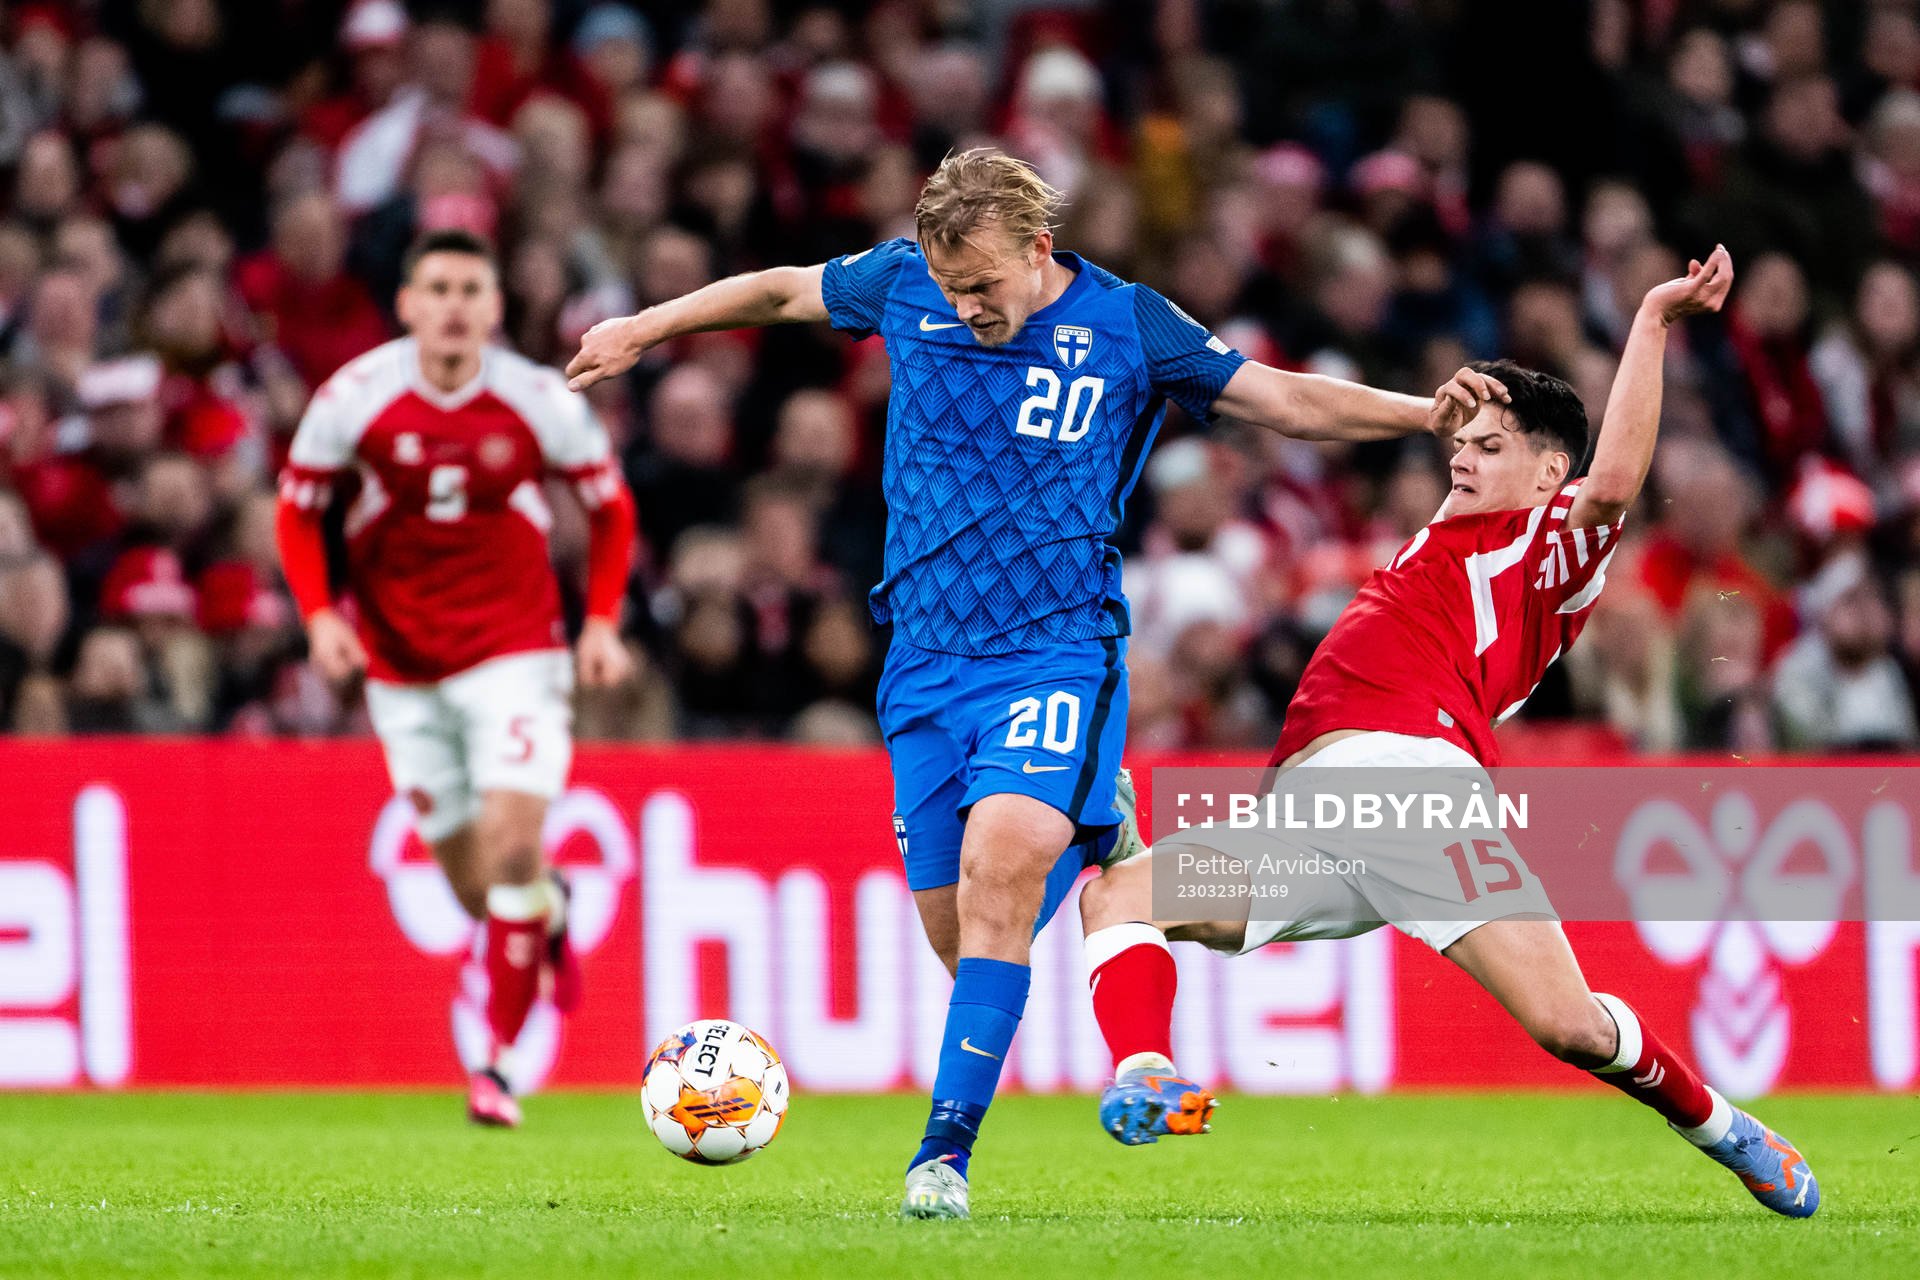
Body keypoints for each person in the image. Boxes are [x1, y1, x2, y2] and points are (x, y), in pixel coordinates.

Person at [569, 148, 1501, 1219]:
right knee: (964, 931)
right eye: (951, 286)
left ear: (1038, 250)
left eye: (985, 286)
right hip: (921, 667)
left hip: (1056, 652)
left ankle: (942, 1161)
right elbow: (779, 288)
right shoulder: (900, 280)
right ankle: (1105, 832)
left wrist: (1419, 412)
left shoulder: (1129, 323)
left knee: (1005, 862)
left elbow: (1280, 398)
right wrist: (645, 326)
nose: (966, 307)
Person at [1078, 247, 1821, 1219]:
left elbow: (1617, 480)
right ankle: (1146, 1070)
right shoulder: (1448, 528)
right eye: (1463, 441)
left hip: (1409, 797)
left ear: (1549, 469)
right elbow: (1322, 410)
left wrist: (1650, 318)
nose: (1463, 454)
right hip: (1312, 824)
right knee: (1120, 894)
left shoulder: (1547, 543)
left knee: (1572, 1025)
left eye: (1492, 443)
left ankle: (1724, 1126)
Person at [275, 229, 637, 1128]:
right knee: (480, 891)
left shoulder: (536, 400)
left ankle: (497, 1064)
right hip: (402, 669)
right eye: (436, 287)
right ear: (406, 304)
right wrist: (322, 617)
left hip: (517, 652)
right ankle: (549, 910)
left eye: (471, 289)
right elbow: (296, 508)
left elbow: (609, 507)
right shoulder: (354, 397)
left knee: (514, 849)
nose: (453, 305)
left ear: (494, 307)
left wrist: (598, 623)